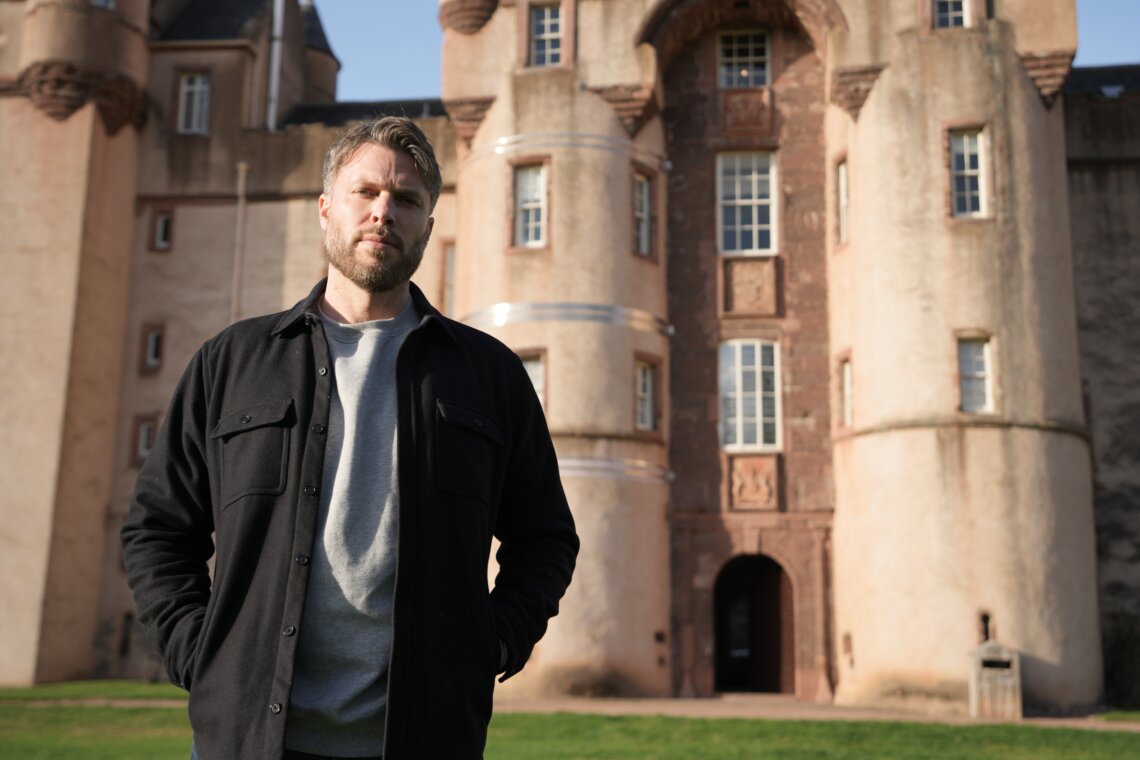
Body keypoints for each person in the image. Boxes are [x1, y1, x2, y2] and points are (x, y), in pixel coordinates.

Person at [121, 116, 579, 760]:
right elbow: (158, 527)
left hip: (426, 737)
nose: (383, 212)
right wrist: (199, 649)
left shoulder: (488, 374)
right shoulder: (233, 362)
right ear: (326, 207)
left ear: (428, 223)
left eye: (407, 200)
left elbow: (546, 538)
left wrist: (495, 641)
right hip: (247, 739)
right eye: (366, 192)